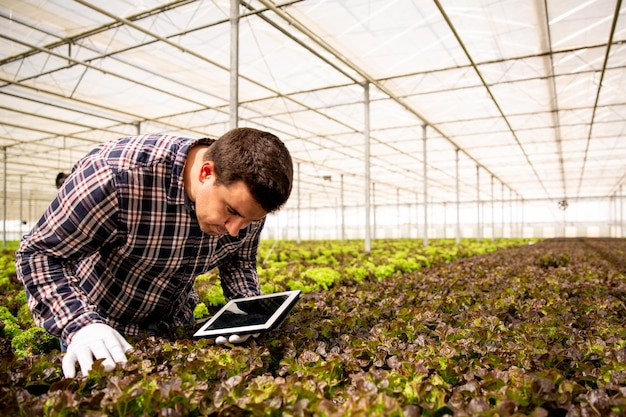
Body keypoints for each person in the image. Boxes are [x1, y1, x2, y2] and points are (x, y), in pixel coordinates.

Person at [15, 127, 293, 378]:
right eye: (231, 212)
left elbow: (239, 261)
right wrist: (81, 326)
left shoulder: (247, 203)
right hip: (101, 329)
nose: (236, 229)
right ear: (206, 173)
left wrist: (247, 312)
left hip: (176, 326)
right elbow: (39, 253)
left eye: (249, 220)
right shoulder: (116, 177)